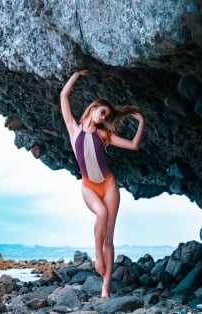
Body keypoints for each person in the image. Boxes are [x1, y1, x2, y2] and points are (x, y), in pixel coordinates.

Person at [60, 69, 145, 299]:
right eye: (102, 112)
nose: (104, 117)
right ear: (93, 108)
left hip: (108, 185)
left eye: (107, 116)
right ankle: (97, 255)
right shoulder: (74, 129)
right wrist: (76, 75)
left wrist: (141, 123)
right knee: (101, 214)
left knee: (109, 237)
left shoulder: (104, 135)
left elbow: (133, 146)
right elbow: (64, 97)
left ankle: (106, 288)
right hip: (89, 186)